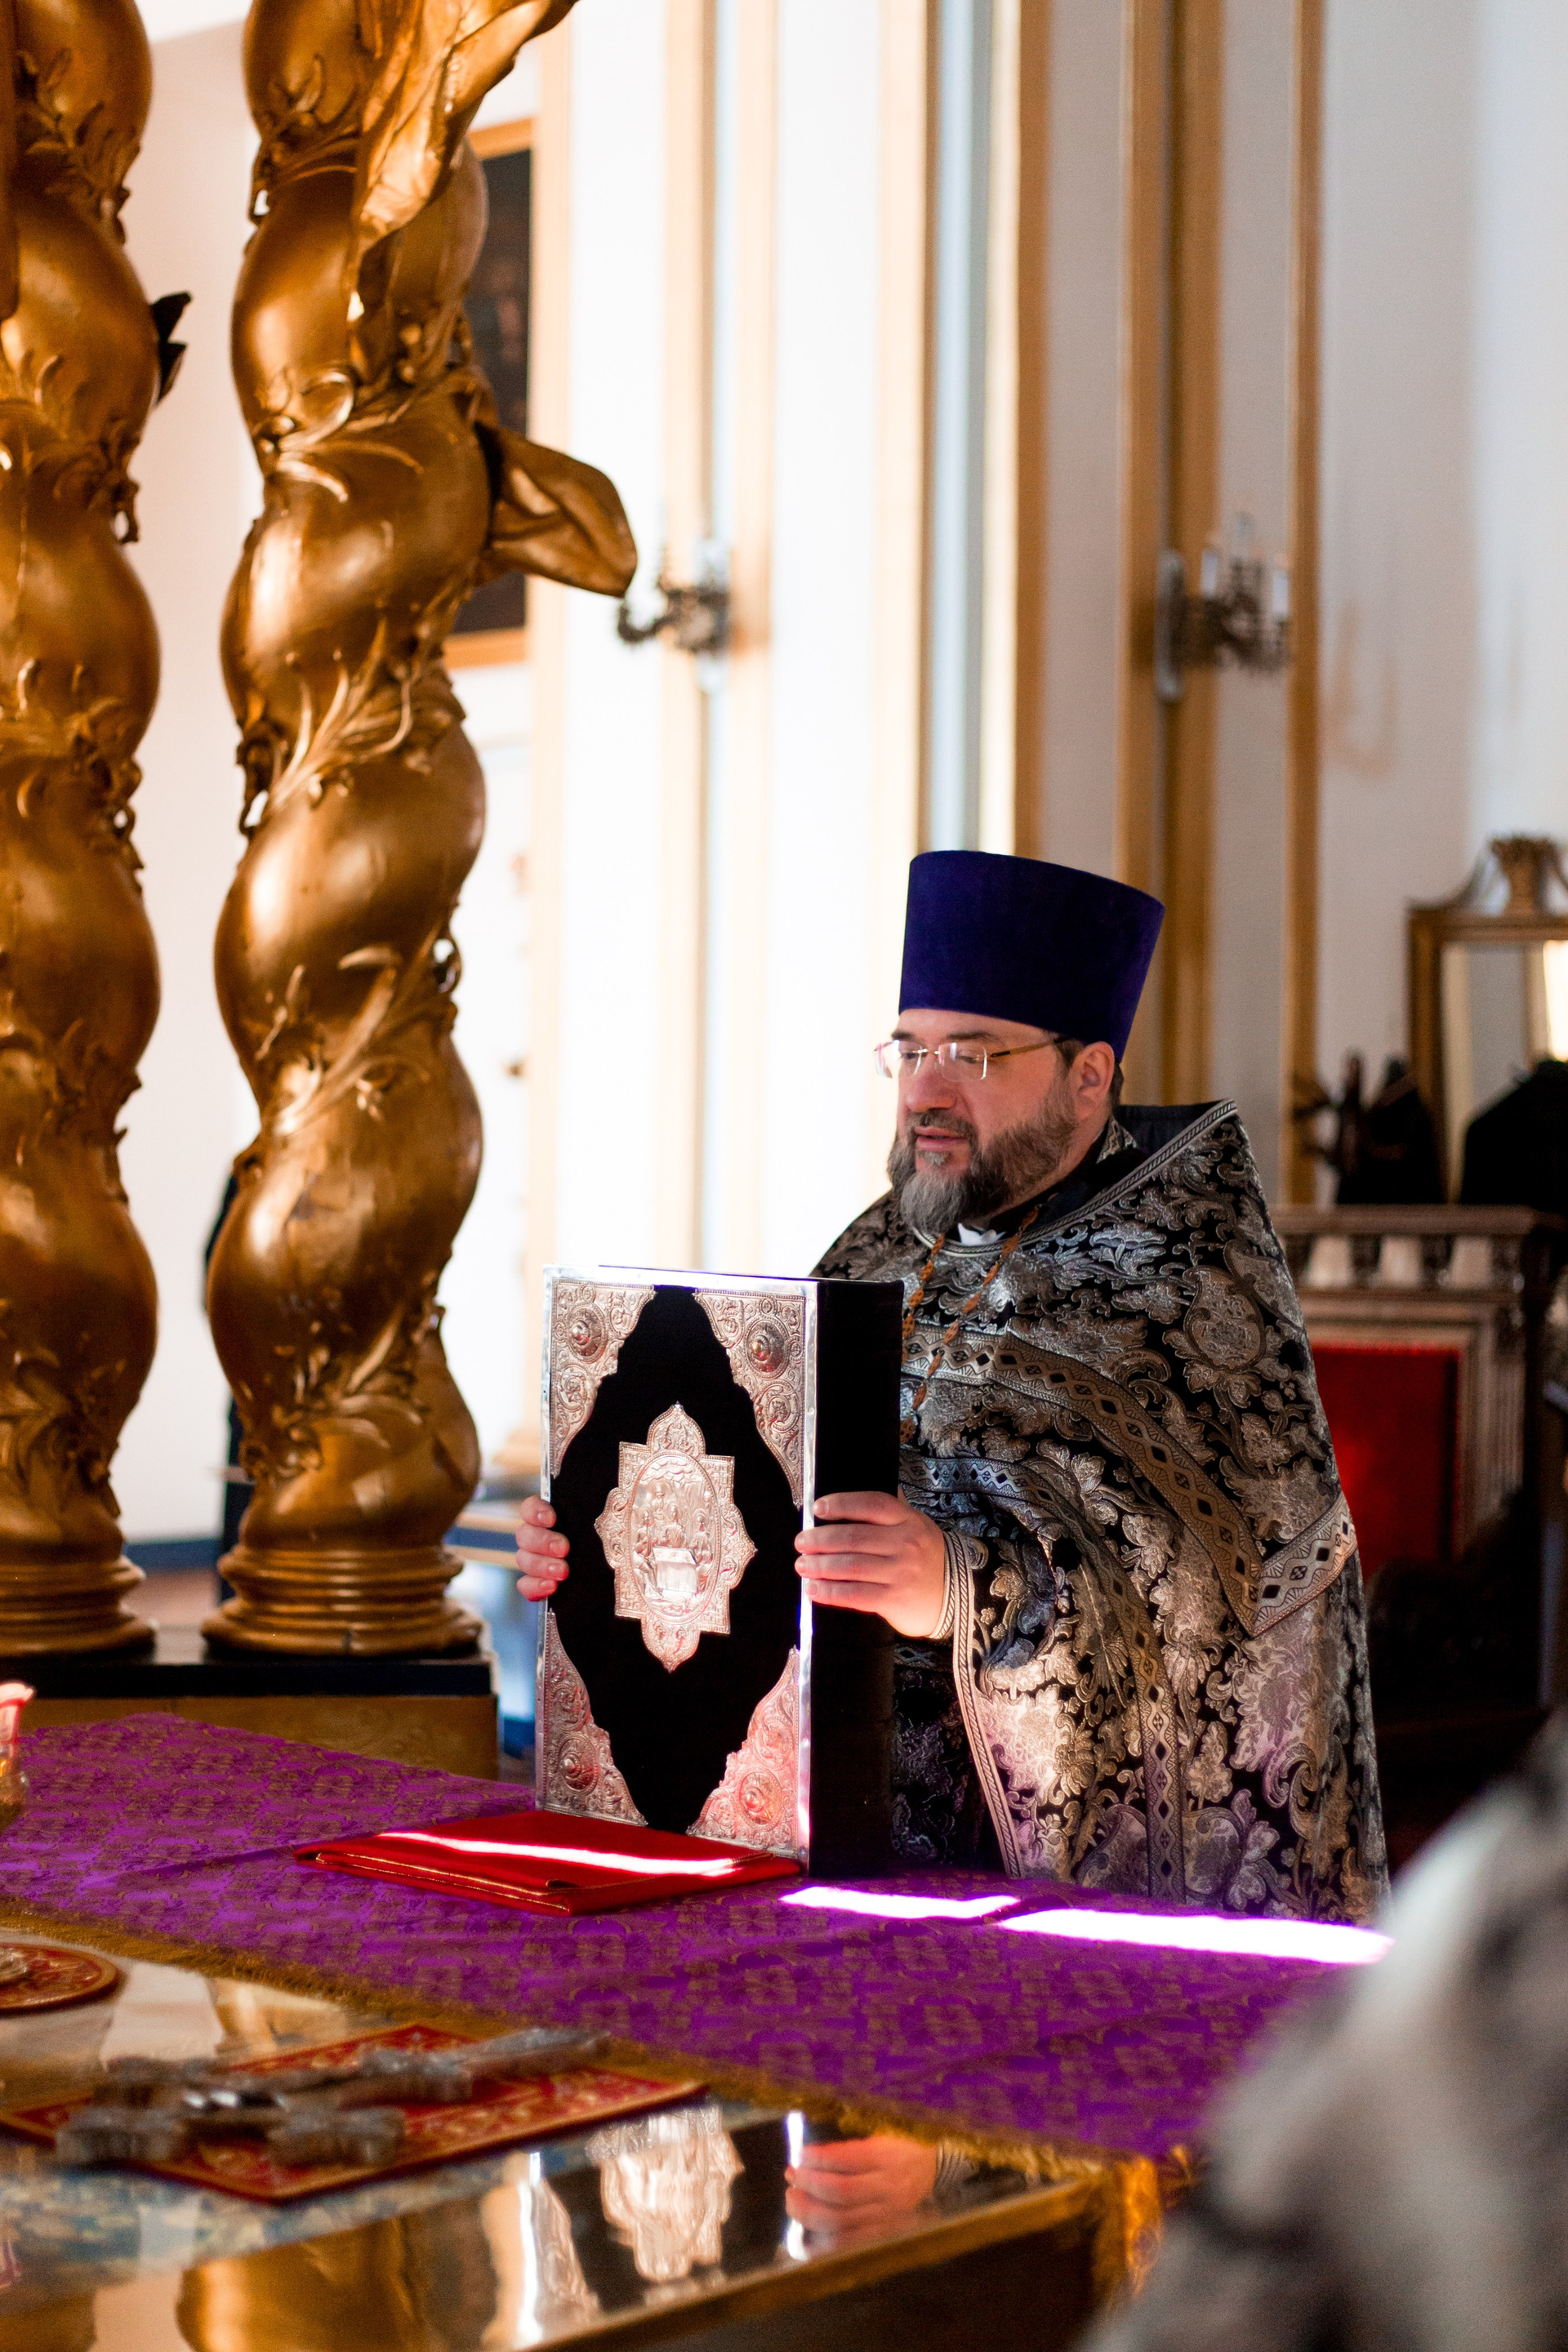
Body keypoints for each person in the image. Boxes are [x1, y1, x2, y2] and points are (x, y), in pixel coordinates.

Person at [519, 850, 1385, 1920]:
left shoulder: (1187, 1281)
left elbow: (1232, 1614)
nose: (925, 1091)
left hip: (1020, 1898)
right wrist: (600, 1546)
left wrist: (965, 1591)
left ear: (1088, 1075)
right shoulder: (878, 1246)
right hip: (800, 1826)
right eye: (910, 1050)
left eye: (972, 1055)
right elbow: (764, 1497)